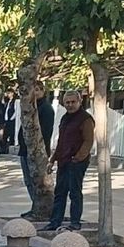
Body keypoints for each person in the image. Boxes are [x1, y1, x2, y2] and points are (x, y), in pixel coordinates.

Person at [45, 91, 94, 231]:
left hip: (77, 162)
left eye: (73, 102)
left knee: (75, 193)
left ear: (79, 101)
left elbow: (88, 141)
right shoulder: (65, 118)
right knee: (60, 192)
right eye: (67, 102)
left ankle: (75, 222)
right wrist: (52, 160)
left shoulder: (85, 119)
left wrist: (78, 158)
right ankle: (55, 222)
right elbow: (61, 141)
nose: (70, 105)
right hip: (63, 160)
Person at [15, 85, 56, 220]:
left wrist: (39, 150)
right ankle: (35, 207)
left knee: (38, 182)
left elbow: (45, 132)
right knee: (29, 181)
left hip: (37, 152)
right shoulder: (30, 107)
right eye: (32, 90)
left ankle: (43, 210)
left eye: (37, 89)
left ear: (43, 91)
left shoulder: (46, 109)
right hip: (25, 150)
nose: (35, 92)